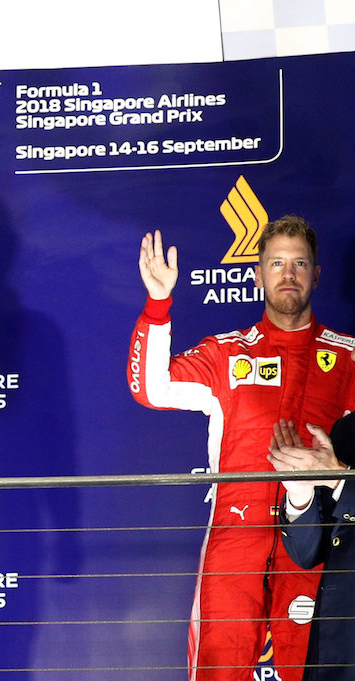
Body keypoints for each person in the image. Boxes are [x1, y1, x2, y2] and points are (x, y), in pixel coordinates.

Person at [127, 217, 355, 681]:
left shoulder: (348, 356)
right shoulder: (227, 353)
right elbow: (150, 387)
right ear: (257, 276)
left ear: (316, 275)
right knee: (219, 669)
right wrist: (158, 304)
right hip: (236, 537)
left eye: (299, 264)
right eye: (276, 263)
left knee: (316, 669)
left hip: (317, 542)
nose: (288, 274)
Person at [269, 416, 355, 681]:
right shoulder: (349, 429)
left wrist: (341, 480)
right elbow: (307, 555)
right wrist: (299, 492)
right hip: (339, 646)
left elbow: (341, 484)